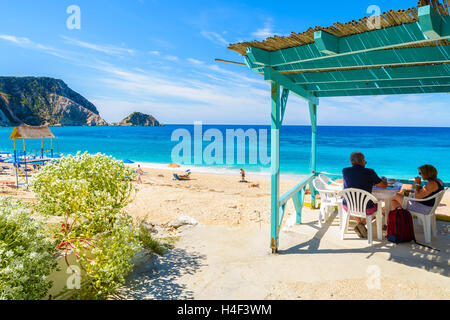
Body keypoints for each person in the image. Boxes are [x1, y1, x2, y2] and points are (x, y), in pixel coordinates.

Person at [342, 152, 387, 238]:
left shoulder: (345, 171)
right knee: (380, 208)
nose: (365, 162)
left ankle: (360, 225)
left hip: (348, 205)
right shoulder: (369, 172)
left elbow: (355, 180)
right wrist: (384, 180)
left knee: (354, 201)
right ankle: (361, 224)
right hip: (367, 208)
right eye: (365, 160)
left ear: (352, 162)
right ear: (362, 161)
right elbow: (383, 185)